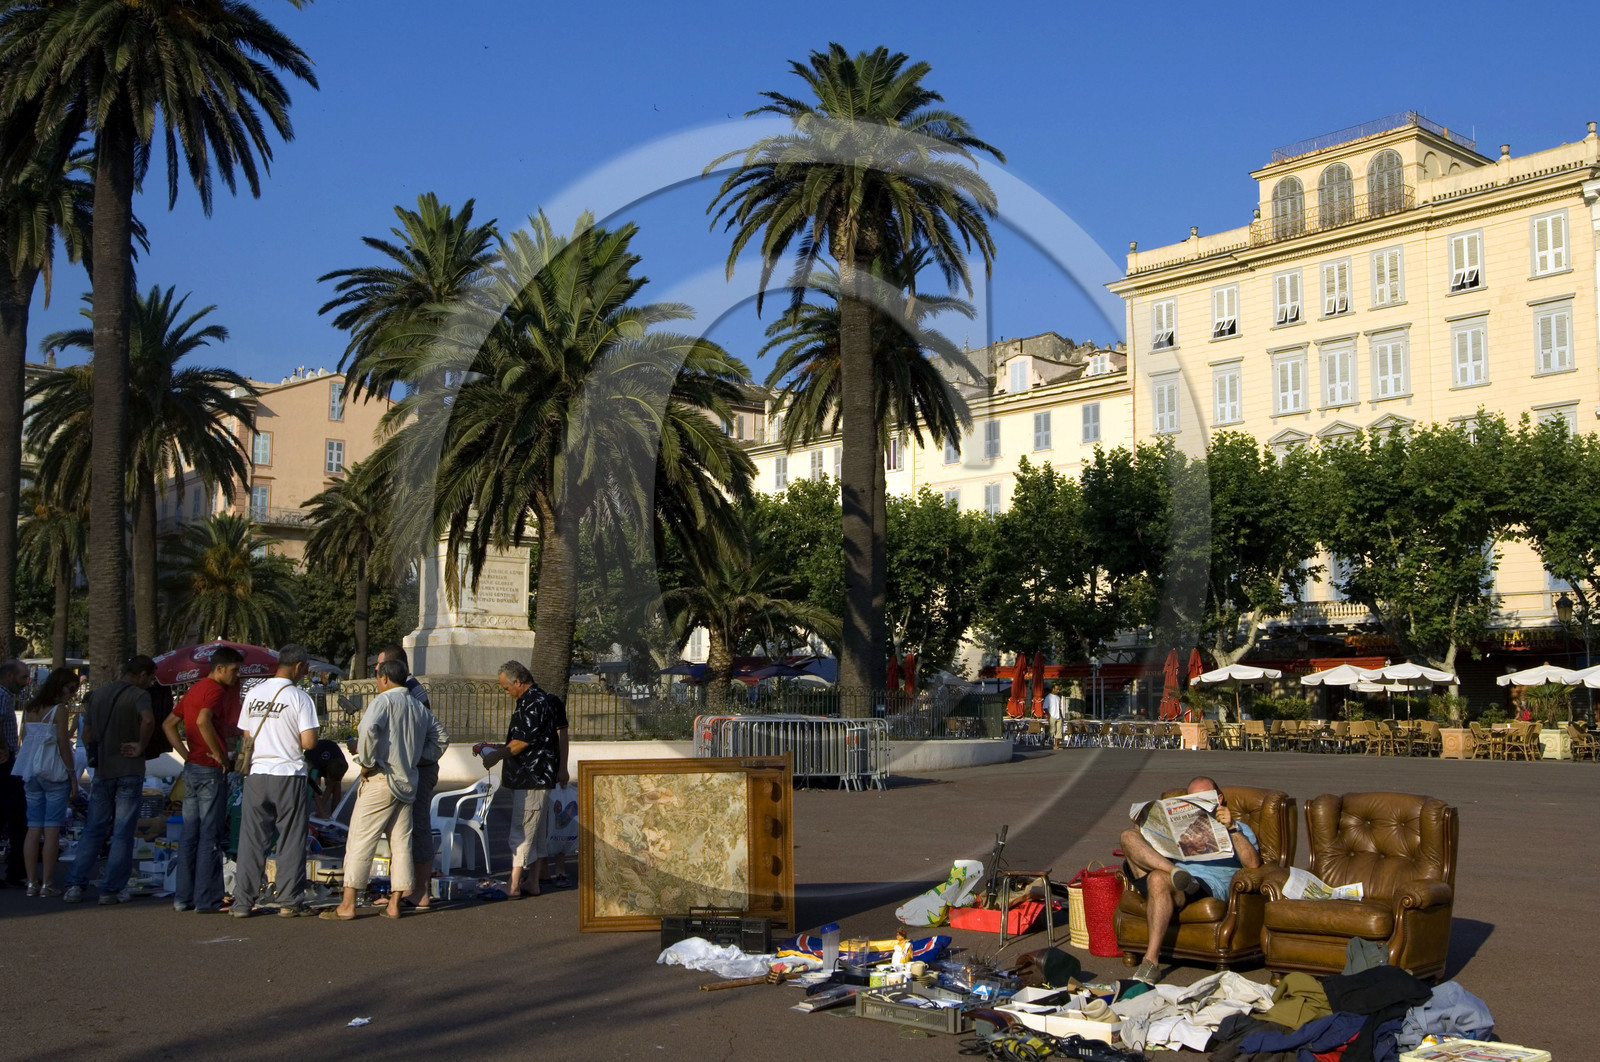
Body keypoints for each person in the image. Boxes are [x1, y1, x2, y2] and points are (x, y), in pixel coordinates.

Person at [1118, 775, 1260, 984]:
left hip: (1202, 884)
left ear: (1219, 799)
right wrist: (1145, 826)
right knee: (1127, 836)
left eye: (1203, 797)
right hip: (1170, 872)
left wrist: (1231, 829)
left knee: (1158, 879)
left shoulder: (1239, 828)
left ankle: (1150, 961)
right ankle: (1174, 870)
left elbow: (1253, 865)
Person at [322, 658, 432, 921]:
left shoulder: (383, 701)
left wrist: (367, 762)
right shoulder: (418, 707)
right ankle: (395, 903)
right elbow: (440, 738)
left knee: (360, 840)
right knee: (401, 843)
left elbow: (369, 729)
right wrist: (415, 757)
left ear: (384, 678)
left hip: (382, 778)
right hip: (407, 781)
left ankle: (347, 905)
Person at [232, 644, 320, 918]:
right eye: (305, 668)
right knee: (291, 839)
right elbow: (309, 741)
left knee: (251, 841)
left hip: (257, 774)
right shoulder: (300, 697)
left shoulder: (254, 694)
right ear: (298, 667)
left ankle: (243, 902)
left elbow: (247, 733)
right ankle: (289, 900)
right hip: (288, 774)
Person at [63, 656, 158, 904]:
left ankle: (75, 884)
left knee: (94, 828)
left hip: (104, 770)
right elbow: (148, 719)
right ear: (142, 675)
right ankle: (110, 888)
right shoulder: (138, 695)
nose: (151, 683)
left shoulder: (98, 695)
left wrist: (97, 752)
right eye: (150, 678)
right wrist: (140, 745)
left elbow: (86, 733)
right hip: (129, 768)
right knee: (123, 831)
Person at [162, 646, 243, 913]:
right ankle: (206, 898)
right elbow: (203, 720)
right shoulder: (215, 691)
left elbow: (169, 724)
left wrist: (186, 753)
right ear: (220, 668)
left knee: (189, 834)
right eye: (233, 670)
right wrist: (219, 755)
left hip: (194, 767)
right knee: (210, 835)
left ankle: (182, 896)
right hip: (208, 769)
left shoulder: (194, 689)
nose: (236, 675)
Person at [485, 660, 568, 899]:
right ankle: (533, 881)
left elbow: (523, 741)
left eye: (506, 687)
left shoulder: (533, 702)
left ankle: (512, 884)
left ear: (518, 683)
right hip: (539, 776)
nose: (506, 692)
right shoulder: (543, 700)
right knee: (536, 830)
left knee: (522, 828)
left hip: (531, 777)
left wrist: (496, 756)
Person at [375, 646, 449, 910]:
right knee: (404, 829)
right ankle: (407, 888)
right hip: (414, 767)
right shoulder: (406, 693)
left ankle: (419, 890)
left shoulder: (411, 694)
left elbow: (429, 734)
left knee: (417, 827)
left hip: (419, 769)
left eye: (380, 664)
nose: (376, 669)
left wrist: (417, 758)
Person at [16, 667, 80, 895]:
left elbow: (23, 738)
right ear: (61, 687)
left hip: (30, 771)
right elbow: (64, 744)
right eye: (71, 689)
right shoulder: (59, 711)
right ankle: (47, 884)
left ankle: (32, 882)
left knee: (33, 826)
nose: (72, 694)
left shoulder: (30, 707)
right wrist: (73, 775)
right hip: (53, 772)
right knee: (52, 827)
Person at [0, 659, 33, 886]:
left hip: (8, 757)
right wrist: (3, 748)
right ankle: (16, 870)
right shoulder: (2, 695)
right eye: (23, 677)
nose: (26, 682)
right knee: (16, 815)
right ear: (10, 676)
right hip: (6, 759)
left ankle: (16, 869)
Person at [305, 738, 349, 820]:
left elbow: (331, 785)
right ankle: (319, 812)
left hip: (330, 756)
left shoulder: (343, 764)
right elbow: (315, 790)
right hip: (314, 756)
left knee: (337, 786)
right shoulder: (317, 762)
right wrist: (321, 811)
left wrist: (321, 811)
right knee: (314, 786)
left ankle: (334, 815)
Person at [1044, 683, 1064, 750]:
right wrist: (1049, 715)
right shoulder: (1048, 697)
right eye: (1056, 689)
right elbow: (1045, 707)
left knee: (1059, 731)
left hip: (1058, 716)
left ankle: (1056, 745)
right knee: (1052, 730)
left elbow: (1059, 708)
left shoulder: (1058, 697)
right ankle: (1044, 739)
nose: (1058, 690)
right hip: (1052, 716)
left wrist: (1062, 716)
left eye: (1058, 689)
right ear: (1053, 689)